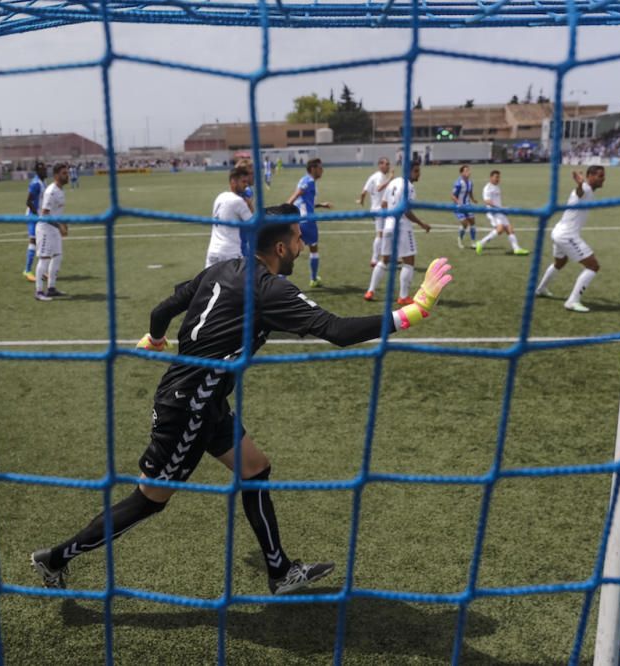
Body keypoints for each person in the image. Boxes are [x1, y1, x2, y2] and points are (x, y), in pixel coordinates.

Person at [29, 204, 453, 594]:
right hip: (189, 407)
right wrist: (415, 310)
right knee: (149, 501)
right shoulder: (271, 290)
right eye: (299, 239)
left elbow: (163, 309)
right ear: (282, 246)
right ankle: (55, 559)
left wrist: (156, 338)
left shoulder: (221, 270)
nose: (304, 245)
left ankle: (280, 571)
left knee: (256, 468)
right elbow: (338, 331)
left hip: (206, 401)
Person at [534, 166, 607, 313]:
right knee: (593, 266)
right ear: (590, 176)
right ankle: (572, 301)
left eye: (603, 175)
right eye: (600, 176)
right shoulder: (585, 189)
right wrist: (579, 184)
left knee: (559, 262)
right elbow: (580, 192)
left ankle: (541, 289)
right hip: (567, 235)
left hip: (559, 231)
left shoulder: (589, 190)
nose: (603, 178)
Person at [365, 161, 431, 303]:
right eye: (416, 171)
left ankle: (370, 291)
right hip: (402, 227)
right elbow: (406, 211)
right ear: (409, 171)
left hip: (389, 226)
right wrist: (422, 224)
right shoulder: (409, 187)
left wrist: (386, 222)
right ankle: (403, 296)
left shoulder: (393, 182)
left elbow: (383, 204)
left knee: (384, 260)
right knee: (409, 261)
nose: (419, 174)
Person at [287, 158, 333, 287]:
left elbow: (303, 200)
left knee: (293, 250)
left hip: (298, 219)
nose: (322, 170)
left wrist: (320, 205)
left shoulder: (304, 179)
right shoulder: (310, 182)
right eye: (320, 167)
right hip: (307, 221)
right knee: (312, 249)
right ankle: (313, 279)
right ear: (312, 169)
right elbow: (296, 195)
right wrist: (284, 208)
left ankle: (280, 277)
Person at [34, 163, 70, 302]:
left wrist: (64, 225)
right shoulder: (51, 192)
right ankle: (38, 291)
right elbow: (44, 215)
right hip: (45, 229)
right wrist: (58, 226)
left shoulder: (61, 191)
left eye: (66, 173)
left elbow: (58, 212)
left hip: (54, 228)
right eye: (64, 173)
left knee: (58, 256)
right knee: (44, 259)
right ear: (56, 176)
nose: (66, 176)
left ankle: (51, 289)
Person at [204, 166, 253, 267]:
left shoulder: (220, 197)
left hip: (213, 251)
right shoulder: (238, 201)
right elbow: (253, 224)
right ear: (233, 182)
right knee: (240, 282)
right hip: (230, 253)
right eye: (243, 182)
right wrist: (249, 204)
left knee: (209, 282)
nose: (246, 185)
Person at [475, 170, 529, 256]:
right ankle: (481, 243)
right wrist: (501, 209)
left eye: (499, 177)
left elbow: (497, 201)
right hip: (493, 212)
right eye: (496, 177)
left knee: (509, 228)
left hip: (499, 211)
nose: (498, 179)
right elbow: (487, 201)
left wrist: (503, 210)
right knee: (500, 230)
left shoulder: (497, 187)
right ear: (491, 177)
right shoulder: (487, 188)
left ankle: (516, 249)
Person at [357, 157, 392, 267]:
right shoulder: (380, 177)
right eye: (386, 164)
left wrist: (361, 201)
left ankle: (387, 256)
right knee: (381, 234)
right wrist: (390, 179)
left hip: (375, 209)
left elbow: (363, 192)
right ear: (380, 165)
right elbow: (379, 188)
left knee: (387, 233)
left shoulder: (372, 176)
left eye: (389, 164)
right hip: (380, 210)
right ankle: (375, 259)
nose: (388, 166)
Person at [23, 162, 47, 282]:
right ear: (38, 171)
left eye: (46, 169)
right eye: (43, 170)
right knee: (33, 241)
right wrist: (37, 215)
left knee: (41, 242)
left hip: (40, 216)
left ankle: (41, 271)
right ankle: (27, 271)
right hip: (33, 216)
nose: (46, 171)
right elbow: (28, 201)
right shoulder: (35, 183)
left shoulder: (43, 182)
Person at [452, 164, 477, 249]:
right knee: (465, 224)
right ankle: (460, 239)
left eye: (468, 170)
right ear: (461, 173)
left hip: (468, 205)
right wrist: (458, 203)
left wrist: (473, 199)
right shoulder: (458, 183)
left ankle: (473, 242)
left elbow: (470, 192)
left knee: (472, 222)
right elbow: (453, 196)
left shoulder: (470, 182)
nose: (468, 172)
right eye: (466, 171)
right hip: (458, 207)